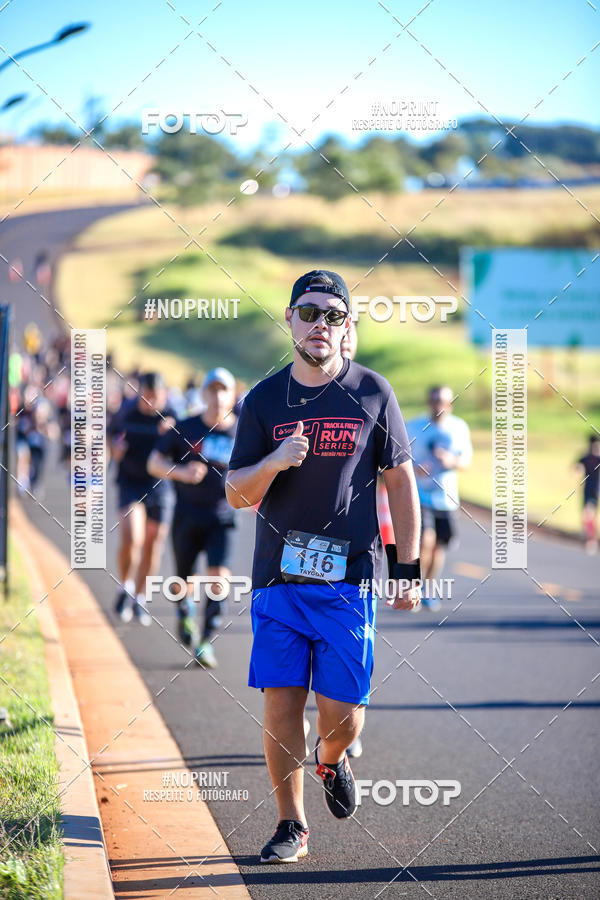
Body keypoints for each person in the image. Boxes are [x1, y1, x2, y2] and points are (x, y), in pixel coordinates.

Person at [225, 269, 421, 864]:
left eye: (332, 316)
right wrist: (275, 462)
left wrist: (406, 572)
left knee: (344, 715)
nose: (320, 325)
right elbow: (236, 492)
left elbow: (401, 483)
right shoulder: (263, 401)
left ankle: (330, 759)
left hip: (347, 581)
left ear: (347, 327)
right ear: (290, 320)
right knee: (282, 702)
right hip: (277, 579)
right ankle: (291, 825)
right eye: (308, 313)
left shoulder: (372, 392)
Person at [148, 368, 238, 666]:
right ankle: (184, 613)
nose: (217, 397)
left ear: (232, 395)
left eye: (223, 390)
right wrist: (182, 473)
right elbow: (154, 462)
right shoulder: (184, 427)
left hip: (221, 517)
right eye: (211, 390)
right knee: (182, 581)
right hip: (186, 515)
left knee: (219, 578)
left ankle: (206, 641)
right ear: (203, 395)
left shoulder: (243, 432)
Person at [109, 372, 176, 625]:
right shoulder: (126, 413)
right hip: (131, 482)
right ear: (140, 393)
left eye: (155, 398)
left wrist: (171, 434)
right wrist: (115, 449)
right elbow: (112, 437)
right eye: (146, 397)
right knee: (132, 538)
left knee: (153, 543)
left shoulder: (171, 415)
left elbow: (184, 449)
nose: (151, 403)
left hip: (160, 487)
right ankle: (124, 586)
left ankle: (140, 597)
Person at [406, 386, 472, 611]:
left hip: (446, 498)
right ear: (429, 402)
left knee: (439, 547)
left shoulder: (459, 427)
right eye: (434, 400)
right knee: (425, 541)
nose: (438, 406)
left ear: (450, 404)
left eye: (443, 401)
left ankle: (428, 588)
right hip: (420, 495)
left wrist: (451, 461)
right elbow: (400, 458)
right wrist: (415, 470)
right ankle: (414, 587)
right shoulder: (414, 426)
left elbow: (465, 462)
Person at [575, 434, 600, 554]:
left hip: (595, 492)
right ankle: (592, 540)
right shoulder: (585, 458)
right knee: (587, 518)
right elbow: (576, 467)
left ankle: (592, 542)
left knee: (588, 516)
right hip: (586, 490)